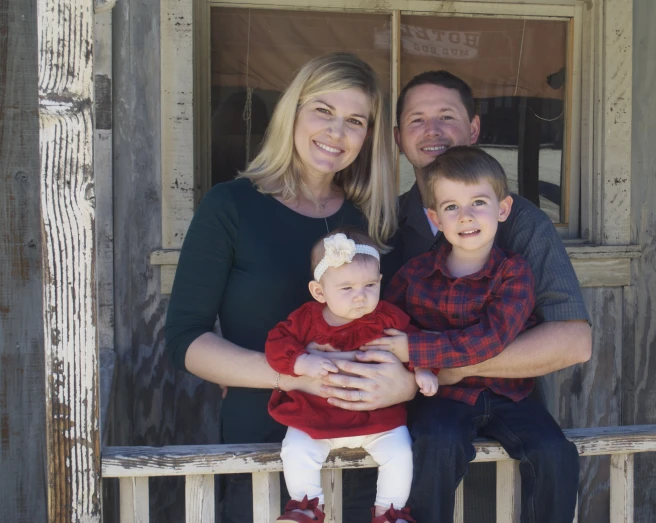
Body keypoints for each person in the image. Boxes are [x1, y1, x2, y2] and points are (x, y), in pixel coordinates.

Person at [320, 71, 592, 521]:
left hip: (505, 415)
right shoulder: (379, 221)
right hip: (394, 430)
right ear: (398, 138)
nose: (433, 131)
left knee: (539, 466)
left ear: (474, 130)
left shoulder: (519, 224)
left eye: (447, 116)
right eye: (417, 120)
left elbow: (574, 341)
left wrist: (432, 366)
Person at [164, 53, 403, 523]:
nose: (336, 132)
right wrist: (291, 375)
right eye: (323, 111)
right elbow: (185, 340)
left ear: (368, 136)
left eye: (355, 120)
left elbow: (398, 331)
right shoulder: (230, 206)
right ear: (292, 111)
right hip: (262, 441)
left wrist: (406, 385)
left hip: (365, 448)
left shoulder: (367, 220)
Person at [381, 146, 578, 523]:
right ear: (435, 217)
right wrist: (408, 356)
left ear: (502, 210)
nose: (466, 216)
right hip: (444, 395)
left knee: (555, 453)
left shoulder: (514, 272)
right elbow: (390, 320)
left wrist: (416, 348)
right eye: (451, 207)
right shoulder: (416, 273)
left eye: (478, 202)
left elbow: (493, 337)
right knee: (435, 442)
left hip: (510, 393)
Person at [265, 229, 435, 523]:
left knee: (400, 451)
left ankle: (389, 512)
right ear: (320, 292)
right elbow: (276, 344)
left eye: (370, 285)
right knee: (296, 447)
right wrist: (302, 361)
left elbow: (414, 343)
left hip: (378, 419)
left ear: (381, 282)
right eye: (347, 289)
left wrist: (422, 369)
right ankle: (304, 507)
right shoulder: (306, 319)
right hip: (316, 416)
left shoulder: (388, 317)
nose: (361, 296)